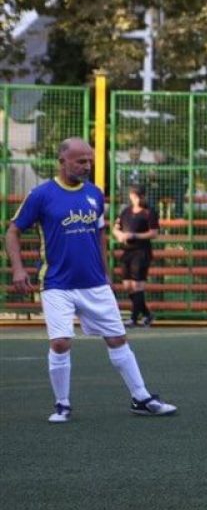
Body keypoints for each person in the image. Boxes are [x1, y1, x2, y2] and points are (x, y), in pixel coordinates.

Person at [4, 138, 177, 423]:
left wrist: (105, 273)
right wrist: (18, 269)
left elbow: (99, 237)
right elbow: (12, 231)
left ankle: (141, 397)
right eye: (80, 161)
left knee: (118, 339)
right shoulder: (41, 194)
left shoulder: (95, 194)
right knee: (60, 343)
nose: (87, 166)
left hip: (94, 282)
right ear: (62, 162)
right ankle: (62, 405)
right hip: (57, 283)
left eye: (89, 161)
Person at [113, 183, 159, 327]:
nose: (136, 199)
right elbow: (116, 228)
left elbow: (154, 233)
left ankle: (133, 319)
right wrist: (120, 235)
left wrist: (134, 235)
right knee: (127, 286)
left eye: (139, 196)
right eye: (134, 196)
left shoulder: (149, 212)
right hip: (127, 252)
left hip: (141, 252)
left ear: (143, 196)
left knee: (138, 285)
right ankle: (147, 314)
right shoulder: (125, 211)